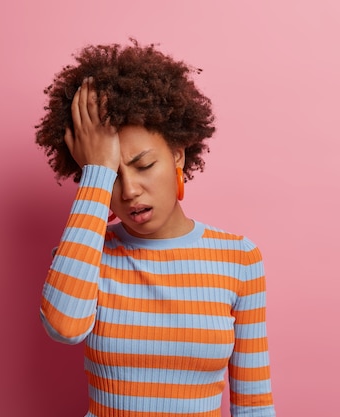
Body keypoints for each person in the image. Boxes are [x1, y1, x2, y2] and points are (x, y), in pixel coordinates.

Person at [36, 39, 276, 417]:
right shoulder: (86, 253)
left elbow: (253, 405)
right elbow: (64, 325)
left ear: (177, 154)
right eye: (111, 176)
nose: (129, 191)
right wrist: (95, 172)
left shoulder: (239, 259)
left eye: (144, 165)